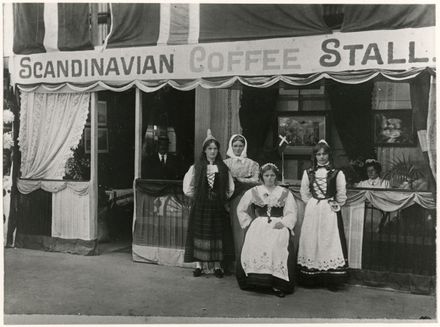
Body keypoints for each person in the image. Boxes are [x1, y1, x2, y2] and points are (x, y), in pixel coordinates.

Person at [236, 163, 297, 297]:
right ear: (262, 177)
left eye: (272, 175)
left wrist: (284, 223)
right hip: (259, 225)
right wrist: (249, 223)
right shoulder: (254, 191)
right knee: (254, 244)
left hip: (278, 224)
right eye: (266, 175)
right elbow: (241, 209)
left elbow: (291, 213)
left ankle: (278, 284)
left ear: (276, 177)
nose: (269, 178)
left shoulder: (285, 193)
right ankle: (255, 281)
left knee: (277, 246)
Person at [297, 140, 348, 291]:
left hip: (329, 210)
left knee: (329, 240)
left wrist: (330, 204)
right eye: (318, 154)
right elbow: (304, 193)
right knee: (311, 239)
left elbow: (341, 194)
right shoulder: (308, 173)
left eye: (324, 154)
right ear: (314, 156)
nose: (321, 157)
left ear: (329, 155)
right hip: (313, 209)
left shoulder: (337, 173)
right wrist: (313, 203)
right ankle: (311, 278)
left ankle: (332, 280)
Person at [183, 129, 235, 278]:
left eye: (215, 149)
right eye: (210, 149)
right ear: (204, 151)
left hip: (217, 206)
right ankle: (199, 266)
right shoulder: (196, 168)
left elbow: (230, 188)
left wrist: (220, 197)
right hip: (201, 206)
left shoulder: (223, 168)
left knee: (217, 235)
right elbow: (188, 188)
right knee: (200, 235)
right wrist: (200, 196)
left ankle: (218, 266)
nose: (213, 152)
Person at [223, 134, 260, 262]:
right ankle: (233, 260)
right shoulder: (225, 163)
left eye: (240, 146)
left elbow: (256, 180)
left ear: (244, 147)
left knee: (246, 227)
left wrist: (240, 179)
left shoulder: (252, 163)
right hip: (231, 199)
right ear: (231, 147)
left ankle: (247, 259)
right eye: (235, 146)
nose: (238, 149)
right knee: (232, 228)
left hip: (246, 199)